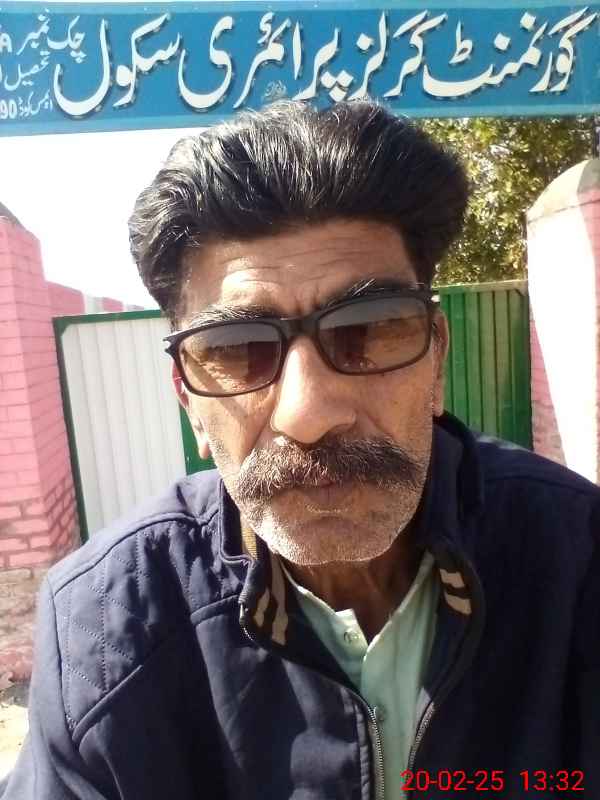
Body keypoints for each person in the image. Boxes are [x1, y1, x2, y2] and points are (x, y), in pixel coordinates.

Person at [3, 100, 599, 800]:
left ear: (436, 360)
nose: (309, 414)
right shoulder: (103, 631)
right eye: (237, 349)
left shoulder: (580, 564)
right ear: (188, 400)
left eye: (369, 327)